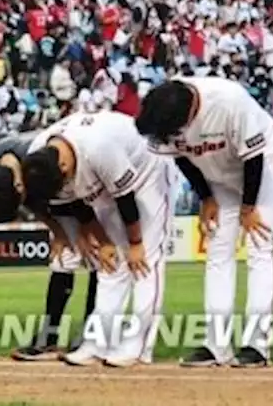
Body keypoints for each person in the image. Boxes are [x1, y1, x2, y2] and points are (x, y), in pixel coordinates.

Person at [136, 77, 273, 368]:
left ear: (188, 115)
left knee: (260, 246)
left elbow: (254, 157)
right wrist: (206, 197)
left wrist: (248, 207)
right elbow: (179, 157)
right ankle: (216, 343)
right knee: (218, 251)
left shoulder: (230, 101)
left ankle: (257, 344)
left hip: (262, 164)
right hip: (217, 174)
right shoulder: (164, 107)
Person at [20, 111, 179, 367]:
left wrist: (136, 243)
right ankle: (96, 342)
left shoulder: (98, 148)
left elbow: (126, 198)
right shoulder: (40, 158)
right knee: (110, 265)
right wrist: (104, 242)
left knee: (145, 261)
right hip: (105, 181)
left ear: (63, 165)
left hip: (148, 171)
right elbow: (75, 201)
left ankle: (138, 346)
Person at [0, 131, 97, 362]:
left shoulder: (38, 159)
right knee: (62, 260)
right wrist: (58, 233)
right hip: (56, 199)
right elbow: (33, 203)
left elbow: (74, 191)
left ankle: (90, 334)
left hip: (84, 187)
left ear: (20, 185)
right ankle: (49, 338)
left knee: (95, 257)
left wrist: (86, 229)